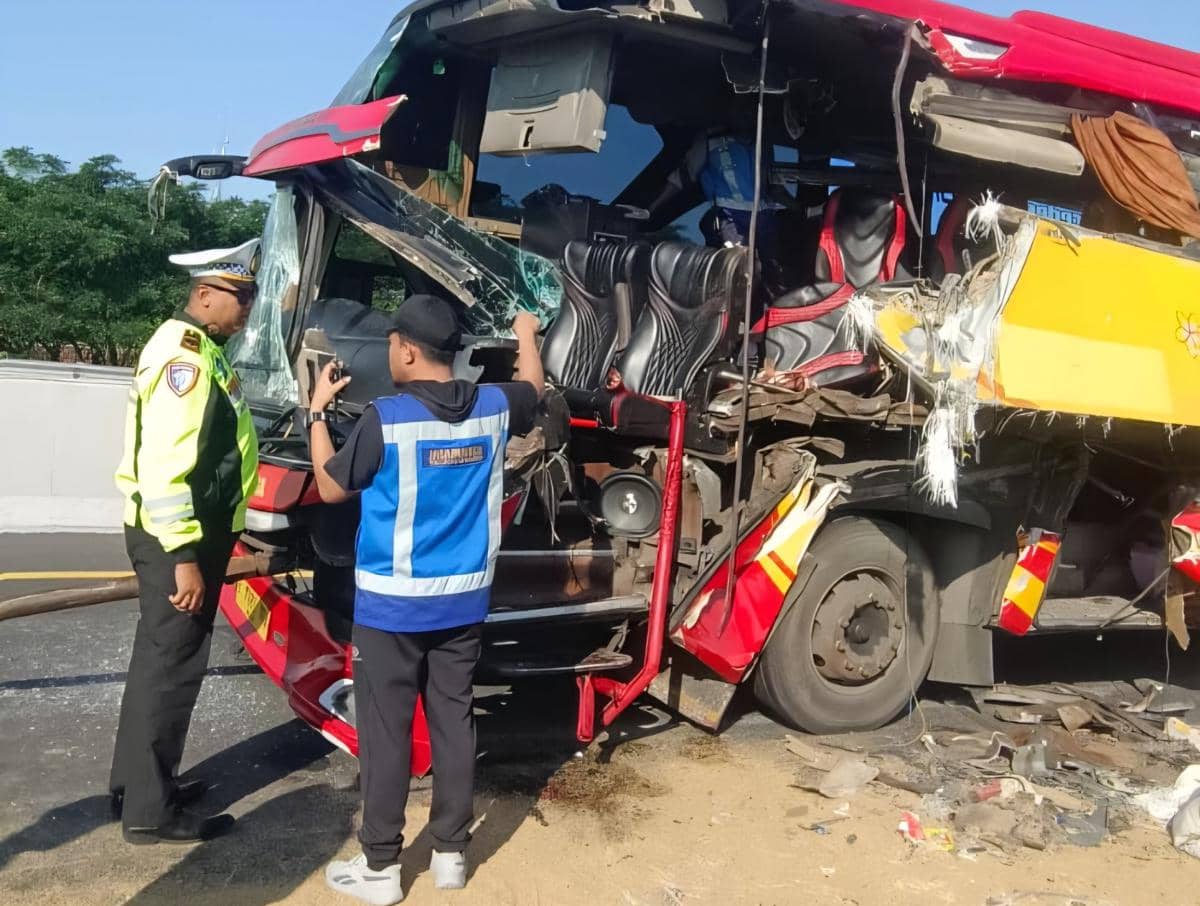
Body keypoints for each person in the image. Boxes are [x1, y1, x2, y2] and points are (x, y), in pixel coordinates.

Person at [309, 296, 543, 905]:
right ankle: (450, 856)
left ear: (407, 350)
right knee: (453, 720)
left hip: (392, 608)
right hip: (463, 601)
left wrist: (315, 413)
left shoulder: (386, 418)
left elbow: (332, 488)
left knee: (387, 732)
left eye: (390, 344)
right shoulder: (494, 406)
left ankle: (381, 867)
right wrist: (526, 333)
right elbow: (534, 390)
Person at [109, 238, 262, 844]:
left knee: (155, 661)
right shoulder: (189, 363)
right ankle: (151, 812)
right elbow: (167, 466)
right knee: (173, 669)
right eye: (240, 295)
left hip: (182, 534)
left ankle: (136, 786)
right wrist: (184, 559)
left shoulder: (195, 348)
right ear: (205, 295)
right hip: (180, 539)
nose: (247, 307)